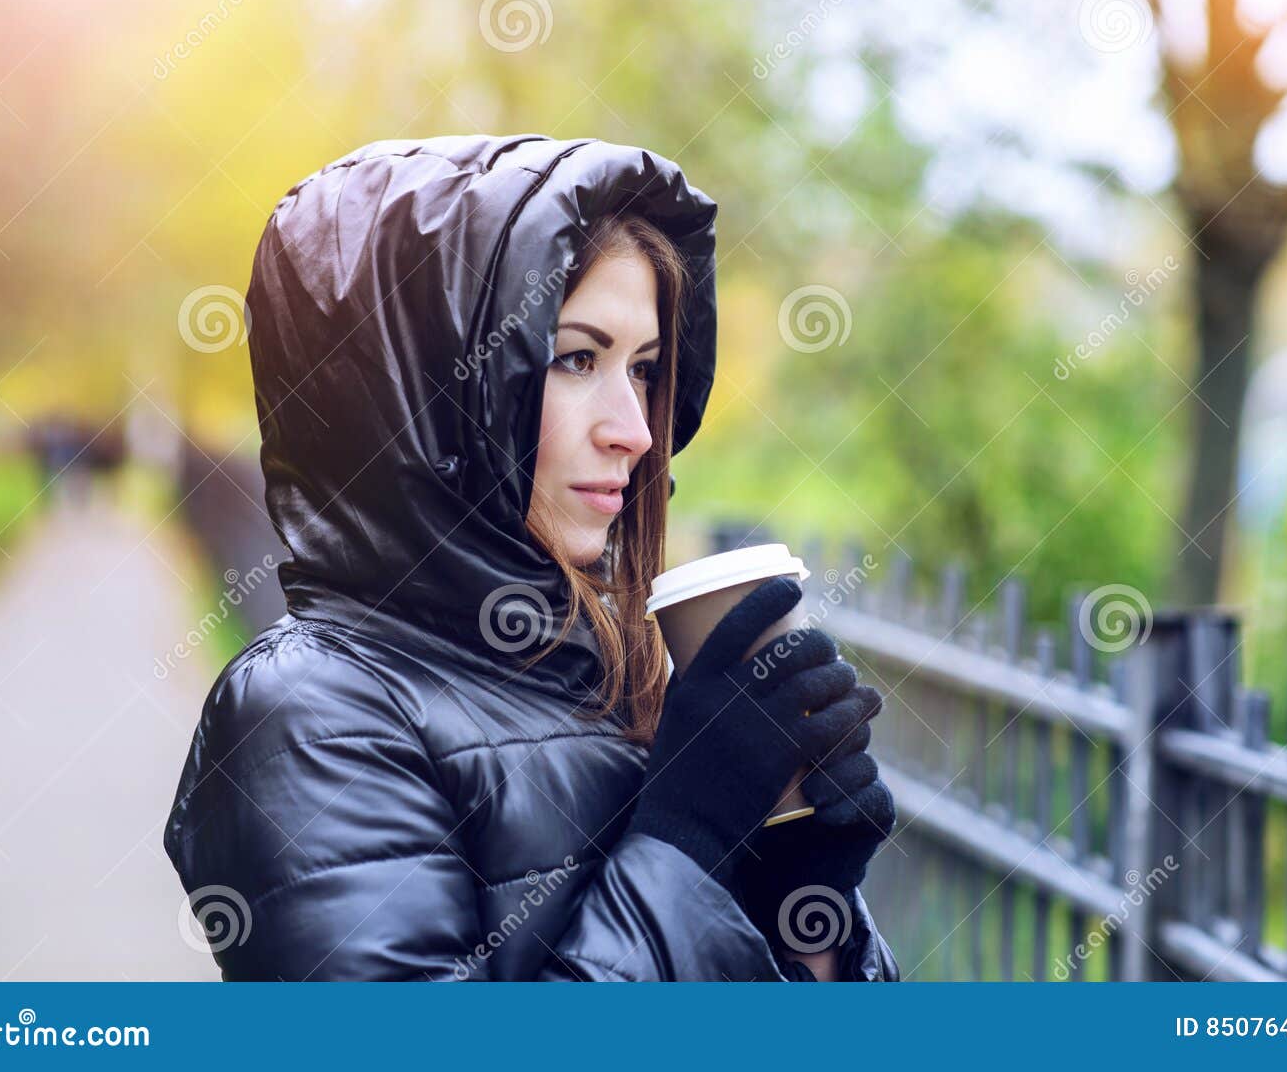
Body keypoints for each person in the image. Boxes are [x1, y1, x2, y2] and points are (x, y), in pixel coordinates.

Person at [162, 134, 900, 981]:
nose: (633, 429)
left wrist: (803, 908)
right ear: (427, 392)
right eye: (576, 359)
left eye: (647, 369)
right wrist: (688, 848)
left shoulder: (613, 677)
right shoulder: (306, 719)